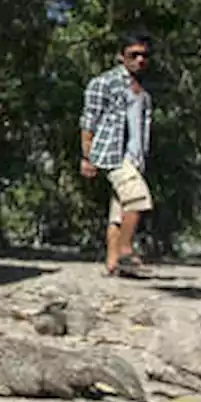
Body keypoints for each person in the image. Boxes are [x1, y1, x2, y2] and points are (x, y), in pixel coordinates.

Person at [80, 31, 154, 276]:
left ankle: (112, 264)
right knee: (138, 198)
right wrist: (87, 156)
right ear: (121, 57)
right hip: (112, 155)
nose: (140, 60)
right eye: (134, 55)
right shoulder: (104, 83)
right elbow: (89, 121)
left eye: (144, 55)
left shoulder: (143, 89)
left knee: (119, 212)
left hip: (134, 158)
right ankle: (124, 250)